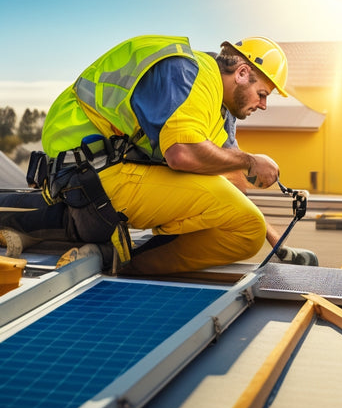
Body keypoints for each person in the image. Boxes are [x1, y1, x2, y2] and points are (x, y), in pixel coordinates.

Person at [0, 35, 317, 273]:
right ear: (244, 72)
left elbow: (232, 183)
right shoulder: (187, 71)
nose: (263, 104)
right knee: (243, 221)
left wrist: (278, 246)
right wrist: (251, 161)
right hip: (89, 176)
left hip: (105, 185)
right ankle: (115, 257)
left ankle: (109, 254)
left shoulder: (219, 110)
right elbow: (182, 154)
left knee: (246, 230)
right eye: (263, 94)